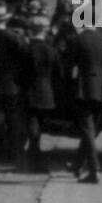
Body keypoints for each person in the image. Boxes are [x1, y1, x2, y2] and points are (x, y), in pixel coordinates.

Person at [65, 24, 102, 184]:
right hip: (101, 92)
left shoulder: (76, 40)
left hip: (83, 90)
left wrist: (69, 86)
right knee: (90, 131)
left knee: (87, 131)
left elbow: (68, 67)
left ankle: (94, 170)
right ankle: (77, 165)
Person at [0, 3, 28, 165]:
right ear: (5, 19)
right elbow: (26, 58)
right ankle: (14, 152)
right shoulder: (14, 38)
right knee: (13, 120)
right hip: (13, 83)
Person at [22, 15, 61, 174]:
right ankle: (35, 154)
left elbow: (20, 73)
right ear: (45, 31)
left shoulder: (26, 49)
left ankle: (33, 155)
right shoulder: (51, 50)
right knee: (39, 127)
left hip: (29, 91)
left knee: (31, 126)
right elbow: (58, 74)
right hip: (47, 93)